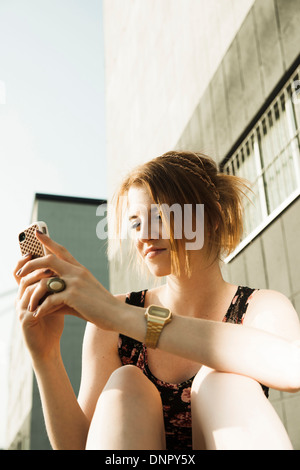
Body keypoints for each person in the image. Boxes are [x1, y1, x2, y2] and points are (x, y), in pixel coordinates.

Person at [14, 150, 300, 450]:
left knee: (222, 382)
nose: (144, 235)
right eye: (136, 223)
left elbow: (293, 367)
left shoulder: (261, 307)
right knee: (127, 383)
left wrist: (120, 315)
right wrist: (46, 357)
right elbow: (81, 446)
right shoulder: (111, 322)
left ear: (211, 217)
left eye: (161, 216)